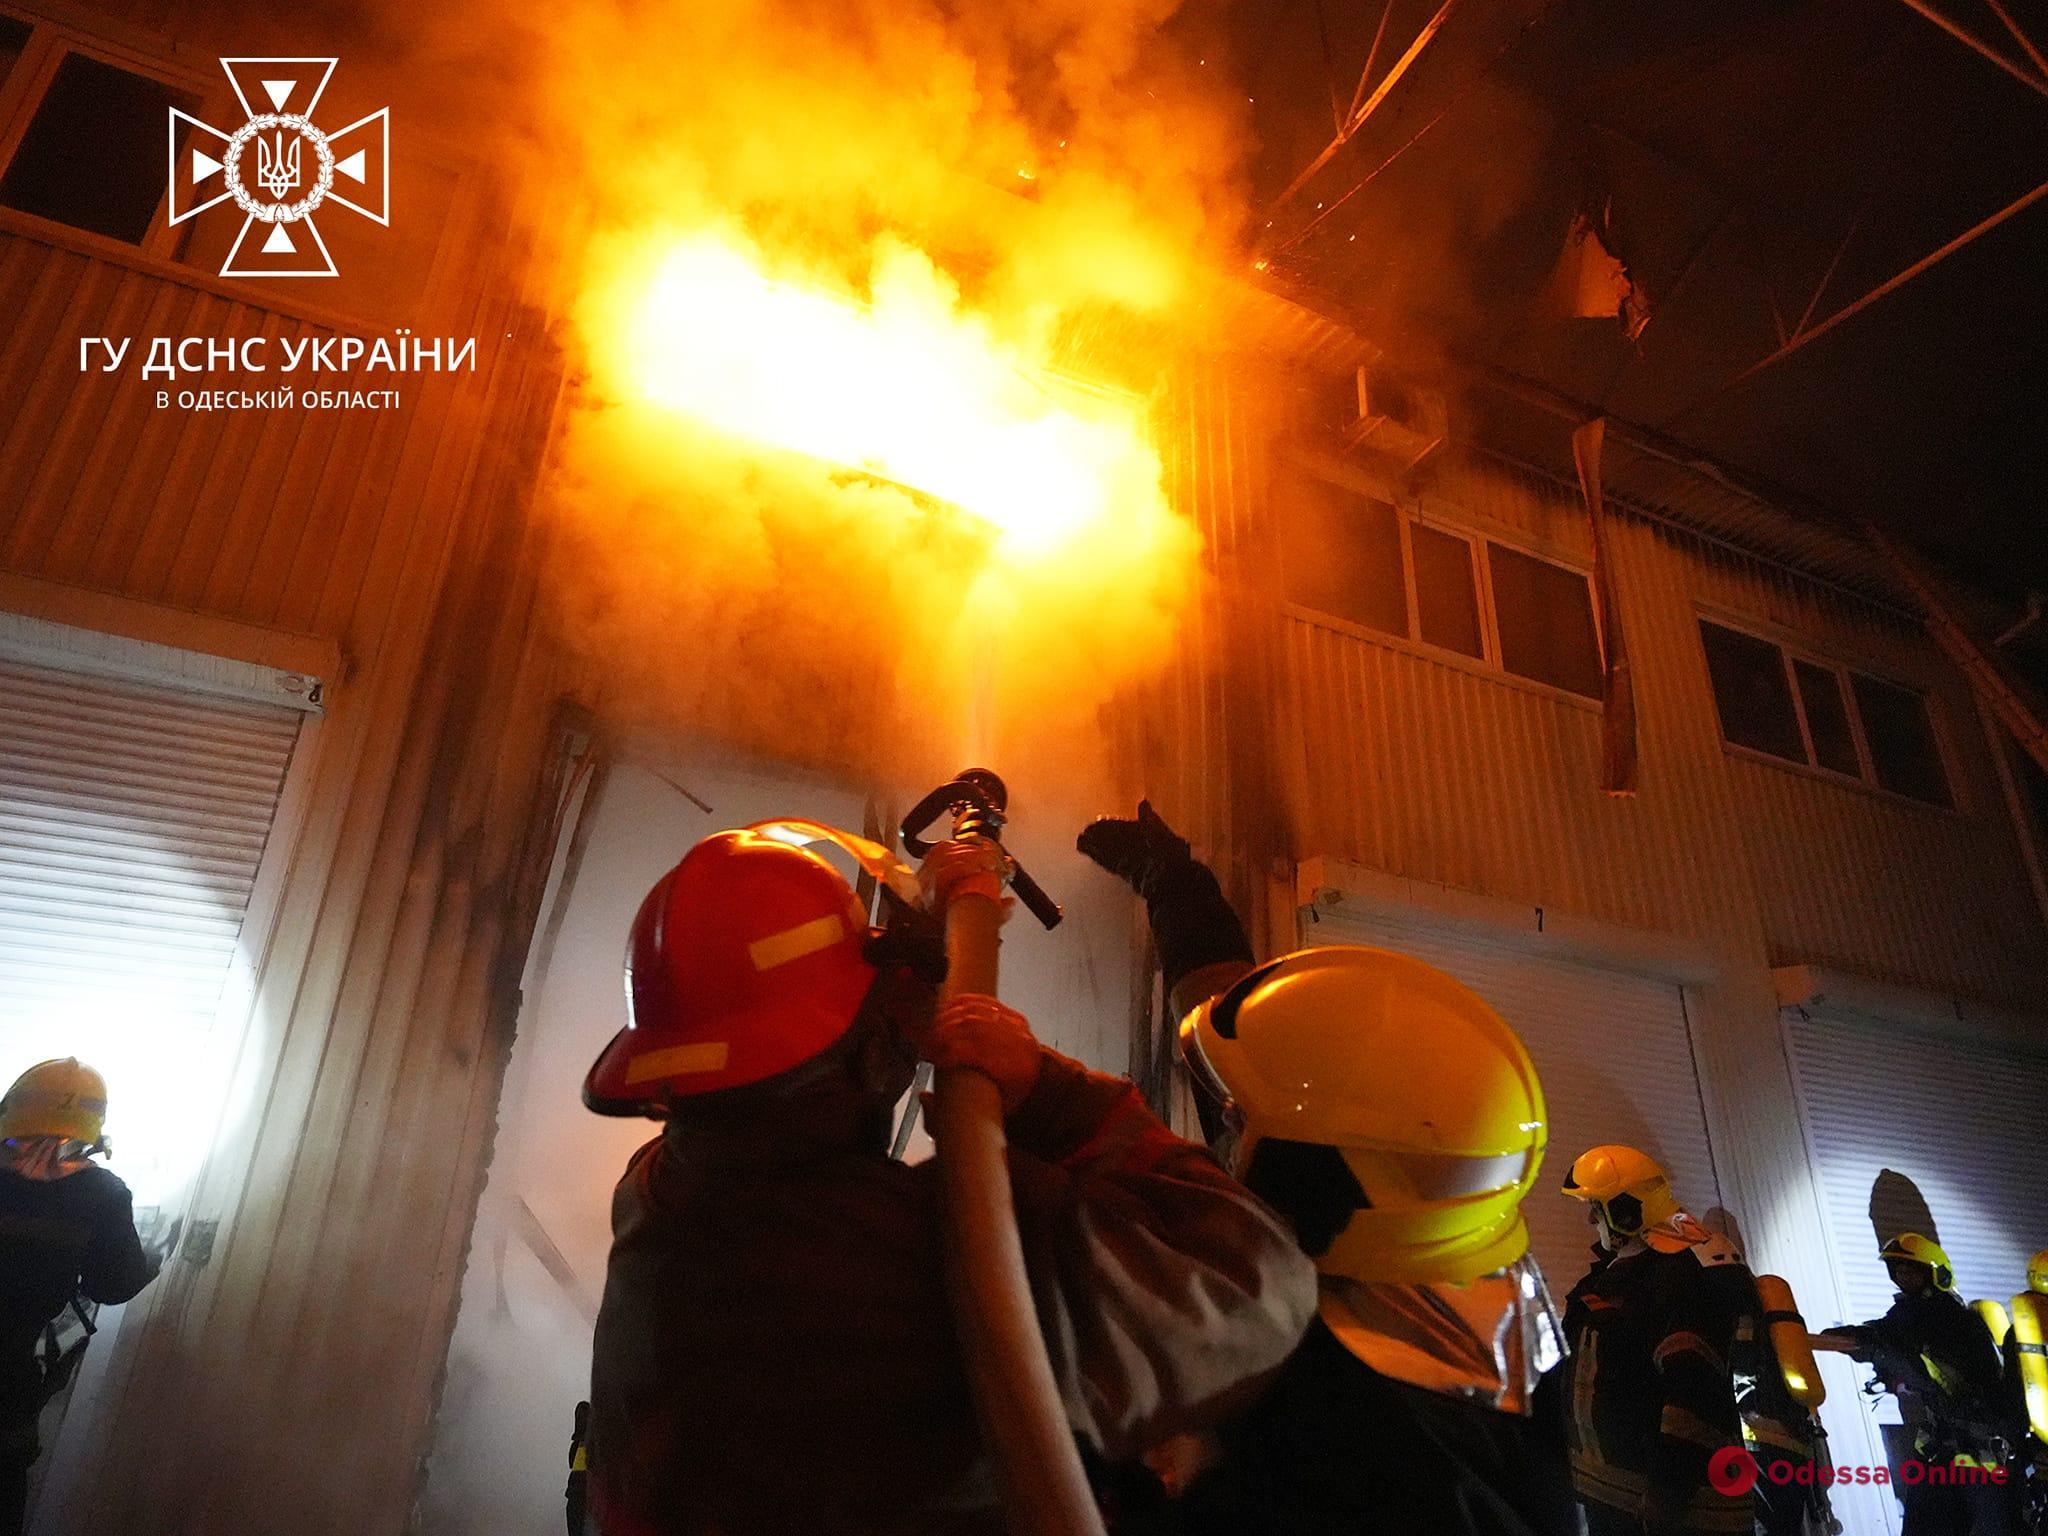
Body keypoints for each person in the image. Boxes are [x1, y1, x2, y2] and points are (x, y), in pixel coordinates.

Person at [579, 823, 1318, 1536]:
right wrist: (1051, 1097)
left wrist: (908, 955)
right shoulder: (941, 1249)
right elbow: (1250, 1287)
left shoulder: (658, 1195)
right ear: (878, 1050)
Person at [1077, 801, 1578, 1536]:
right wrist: (1175, 884)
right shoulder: (1430, 1238)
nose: (1223, 1127)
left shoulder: (1358, 1452)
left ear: (1307, 1185)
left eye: (1237, 1122)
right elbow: (1252, 1043)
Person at [1557, 1145, 1758, 1536]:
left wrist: (1666, 1496)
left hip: (1671, 1509)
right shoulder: (1620, 1278)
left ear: (1625, 1210)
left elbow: (1692, 1391)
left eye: (1596, 1208)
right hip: (1618, 1497)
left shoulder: (1675, 1278)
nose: (1589, 1219)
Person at [0, 1058, 162, 1536]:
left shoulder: (101, 1195)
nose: (40, 1160)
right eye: (21, 1146)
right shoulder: (99, 1193)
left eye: (61, 1150)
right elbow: (112, 1285)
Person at [1819, 1233, 2019, 1536]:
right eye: (1898, 1271)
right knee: (1926, 1518)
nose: (1903, 1277)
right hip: (1943, 1440)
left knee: (1985, 1523)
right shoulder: (1911, 1312)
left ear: (1933, 1273)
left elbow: (1907, 1349)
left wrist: (1873, 1347)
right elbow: (1886, 1334)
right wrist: (1854, 1339)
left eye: (1911, 1270)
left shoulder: (1950, 1316)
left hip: (1977, 1442)